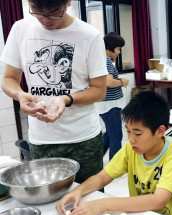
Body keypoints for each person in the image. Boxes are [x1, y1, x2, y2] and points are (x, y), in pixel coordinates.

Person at [0, 0, 108, 183]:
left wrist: (65, 99)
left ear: (68, 3)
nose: (45, 19)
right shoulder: (20, 29)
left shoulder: (89, 35)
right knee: (48, 201)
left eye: (53, 12)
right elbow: (9, 78)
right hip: (41, 140)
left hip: (83, 139)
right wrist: (19, 94)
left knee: (88, 199)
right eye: (37, 11)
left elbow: (99, 91)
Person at [56, 91, 172, 215]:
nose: (131, 139)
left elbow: (158, 201)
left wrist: (104, 204)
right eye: (128, 131)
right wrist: (77, 191)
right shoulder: (131, 149)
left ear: (160, 131)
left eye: (138, 133)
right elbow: (103, 177)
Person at [95, 32, 129, 160]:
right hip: (110, 105)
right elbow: (108, 82)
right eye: (118, 49)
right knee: (116, 136)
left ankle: (97, 160)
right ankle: (115, 166)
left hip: (106, 104)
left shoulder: (102, 60)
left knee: (110, 134)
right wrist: (122, 82)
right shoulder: (106, 61)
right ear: (111, 47)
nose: (119, 52)